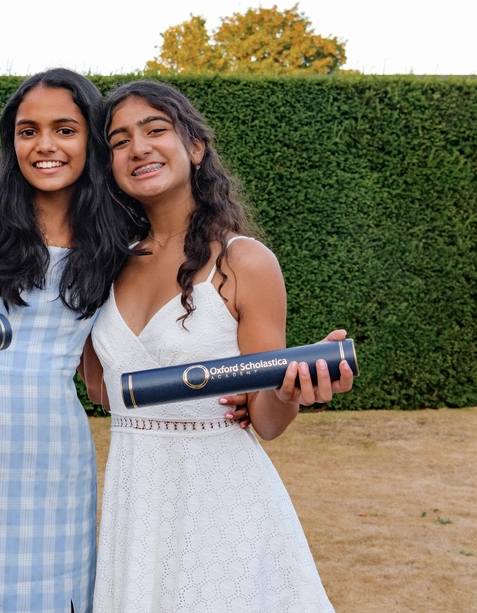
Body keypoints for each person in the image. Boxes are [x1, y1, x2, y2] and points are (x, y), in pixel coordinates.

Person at [86, 80, 353, 612]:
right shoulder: (103, 264)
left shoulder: (244, 262)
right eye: (118, 140)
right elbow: (101, 393)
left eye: (155, 129)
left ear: (195, 146)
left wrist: (291, 389)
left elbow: (267, 421)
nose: (138, 147)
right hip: (135, 501)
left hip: (223, 502)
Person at [0, 69, 129, 613]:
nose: (44, 145)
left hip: (56, 459)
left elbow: (102, 382)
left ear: (91, 139)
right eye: (27, 131)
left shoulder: (112, 251)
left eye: (65, 129)